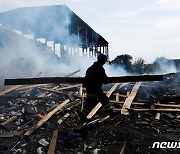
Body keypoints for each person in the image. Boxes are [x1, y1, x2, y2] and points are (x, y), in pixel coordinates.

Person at [80, 53, 114, 122]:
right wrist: (106, 80)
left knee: (96, 102)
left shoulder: (90, 68)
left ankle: (111, 113)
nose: (104, 63)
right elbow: (105, 80)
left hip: (90, 89)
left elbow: (87, 78)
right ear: (102, 61)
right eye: (104, 61)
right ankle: (82, 117)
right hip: (96, 89)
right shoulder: (100, 69)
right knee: (97, 102)